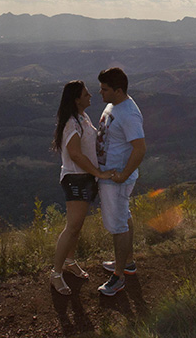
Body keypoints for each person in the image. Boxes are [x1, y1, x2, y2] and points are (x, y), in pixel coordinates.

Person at [48, 80, 117, 295]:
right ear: (77, 99)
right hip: (76, 179)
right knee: (72, 227)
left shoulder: (82, 118)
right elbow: (76, 155)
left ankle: (69, 262)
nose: (91, 97)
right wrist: (99, 173)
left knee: (76, 227)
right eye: (86, 95)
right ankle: (56, 273)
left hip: (84, 179)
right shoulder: (71, 123)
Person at [95, 67, 146, 296]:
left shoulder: (128, 114)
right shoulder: (115, 105)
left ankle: (118, 277)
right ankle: (127, 263)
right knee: (124, 217)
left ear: (118, 90)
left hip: (116, 180)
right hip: (112, 176)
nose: (100, 92)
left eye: (104, 89)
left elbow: (140, 148)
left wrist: (123, 175)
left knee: (117, 226)